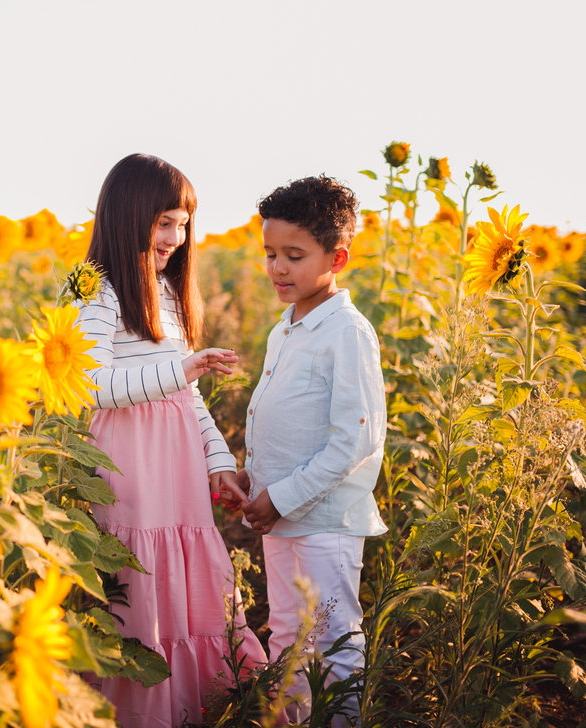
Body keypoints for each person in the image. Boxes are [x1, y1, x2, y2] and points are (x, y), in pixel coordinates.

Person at [76, 153, 267, 728]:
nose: (177, 238)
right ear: (128, 216)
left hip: (176, 466)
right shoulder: (95, 289)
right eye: (165, 222)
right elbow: (92, 387)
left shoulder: (163, 289)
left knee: (187, 581)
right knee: (136, 581)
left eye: (183, 225)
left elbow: (188, 400)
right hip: (128, 463)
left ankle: (189, 705)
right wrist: (181, 370)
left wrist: (217, 460)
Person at [238, 175, 387, 725]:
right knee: (285, 629)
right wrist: (253, 482)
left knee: (332, 639)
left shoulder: (346, 332)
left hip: (324, 517)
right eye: (270, 253)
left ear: (338, 257)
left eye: (294, 256)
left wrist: (282, 496)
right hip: (279, 515)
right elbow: (283, 420)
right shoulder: (287, 327)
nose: (277, 268)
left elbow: (356, 436)